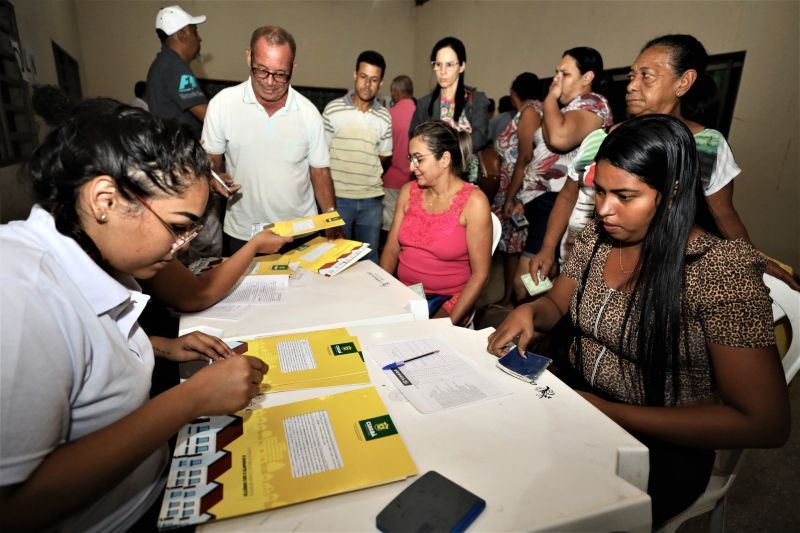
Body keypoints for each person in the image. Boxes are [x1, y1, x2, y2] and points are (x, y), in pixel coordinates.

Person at [488, 114, 789, 526]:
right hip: (578, 403)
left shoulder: (720, 270)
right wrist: (529, 311)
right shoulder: (599, 236)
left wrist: (612, 413)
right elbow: (557, 304)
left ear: (672, 191)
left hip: (660, 443)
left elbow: (764, 422)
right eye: (600, 192)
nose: (605, 210)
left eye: (625, 197)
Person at [0, 102, 268, 530]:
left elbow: (82, 355)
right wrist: (190, 398)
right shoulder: (18, 296)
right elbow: (12, 508)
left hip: (152, 488)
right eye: (178, 227)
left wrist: (161, 346)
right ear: (105, 200)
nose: (182, 246)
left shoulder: (92, 251)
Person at [527, 34, 800, 291]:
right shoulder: (599, 138)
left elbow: (724, 215)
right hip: (577, 262)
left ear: (683, 82)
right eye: (632, 75)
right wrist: (547, 248)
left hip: (651, 278)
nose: (632, 85)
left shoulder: (706, 145)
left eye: (646, 76)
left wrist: (751, 259)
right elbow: (566, 198)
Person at [202, 25, 339, 255]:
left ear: (293, 68)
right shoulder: (222, 105)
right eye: (262, 70)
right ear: (249, 57)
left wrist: (331, 216)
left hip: (300, 231)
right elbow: (211, 159)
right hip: (244, 232)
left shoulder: (308, 113)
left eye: (280, 74)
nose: (270, 81)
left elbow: (320, 172)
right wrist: (214, 176)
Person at [508, 47, 612, 298]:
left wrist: (550, 98)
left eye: (565, 73)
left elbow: (558, 138)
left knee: (526, 283)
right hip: (541, 201)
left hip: (558, 201)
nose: (556, 78)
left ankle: (540, 323)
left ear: (587, 78)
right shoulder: (567, 108)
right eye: (556, 72)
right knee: (538, 276)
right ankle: (543, 319)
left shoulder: (593, 104)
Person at [380, 121, 492, 326]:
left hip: (448, 301)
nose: (411, 167)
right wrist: (383, 291)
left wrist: (447, 325)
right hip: (405, 293)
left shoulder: (474, 203)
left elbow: (480, 274)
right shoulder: (408, 192)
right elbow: (391, 249)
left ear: (445, 159)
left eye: (418, 159)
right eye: (410, 158)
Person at [323, 50, 392, 262]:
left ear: (380, 83)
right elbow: (320, 160)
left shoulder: (384, 116)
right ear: (355, 75)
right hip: (339, 199)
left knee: (370, 262)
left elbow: (384, 156)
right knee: (336, 261)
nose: (367, 84)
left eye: (373, 80)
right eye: (363, 77)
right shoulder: (332, 110)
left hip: (371, 201)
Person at [488, 73, 542, 308]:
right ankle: (512, 296)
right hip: (514, 188)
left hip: (519, 191)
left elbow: (525, 155)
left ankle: (524, 301)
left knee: (520, 248)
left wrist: (510, 197)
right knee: (511, 248)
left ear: (514, 94)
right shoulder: (536, 110)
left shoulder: (529, 111)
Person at [409, 37, 490, 184]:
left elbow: (480, 136)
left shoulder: (477, 100)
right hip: (433, 180)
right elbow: (414, 139)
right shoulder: (425, 104)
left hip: (468, 180)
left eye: (449, 65)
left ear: (462, 66)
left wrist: (445, 149)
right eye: (438, 64)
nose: (443, 71)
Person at [146, 5, 208, 138]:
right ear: (182, 35)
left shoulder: (162, 63)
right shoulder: (176, 67)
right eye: (195, 32)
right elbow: (206, 115)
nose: (199, 39)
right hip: (182, 152)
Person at [382, 75, 415, 234]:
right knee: (409, 227)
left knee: (390, 229)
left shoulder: (388, 115)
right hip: (414, 181)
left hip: (390, 179)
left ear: (395, 92)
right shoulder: (420, 114)